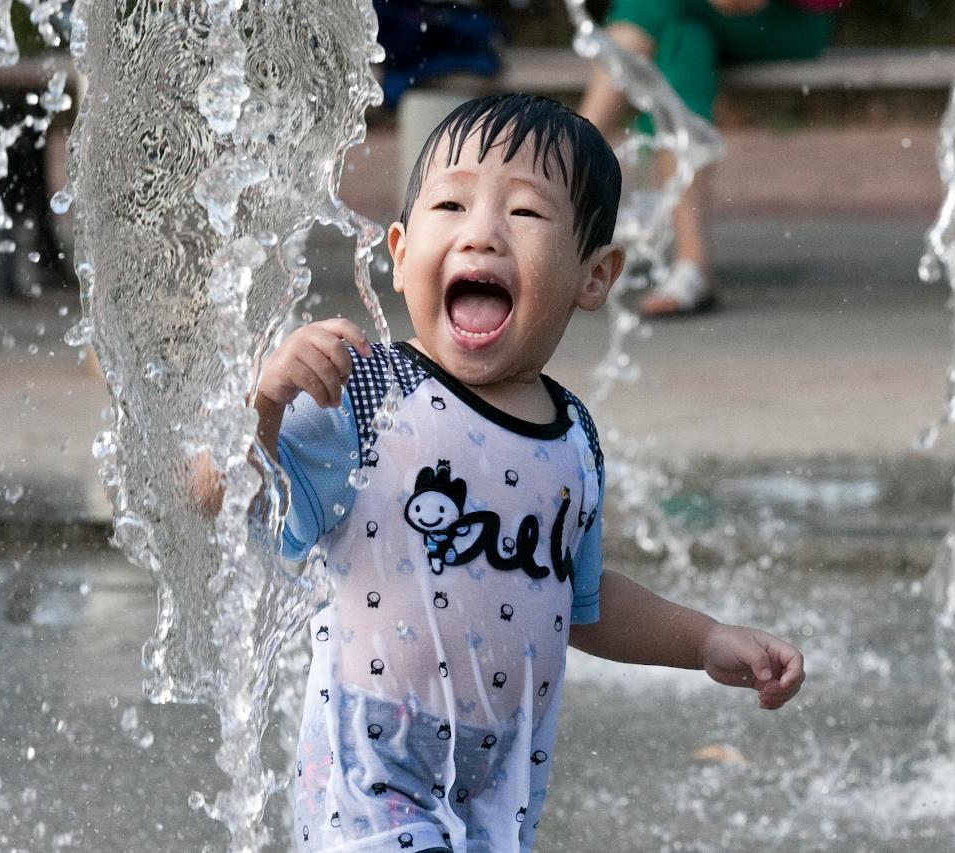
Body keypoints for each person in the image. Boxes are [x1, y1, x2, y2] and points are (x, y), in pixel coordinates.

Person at [256, 94, 806, 852]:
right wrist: (263, 403)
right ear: (401, 249)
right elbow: (227, 499)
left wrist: (703, 639)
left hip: (500, 781)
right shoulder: (365, 396)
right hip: (370, 761)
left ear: (595, 274)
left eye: (525, 214)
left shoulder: (573, 439)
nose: (481, 232)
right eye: (450, 204)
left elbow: (577, 601)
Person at [578, 0, 837, 317]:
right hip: (693, 21)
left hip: (791, 23)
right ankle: (692, 265)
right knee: (684, 38)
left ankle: (573, 153)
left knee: (647, 7)